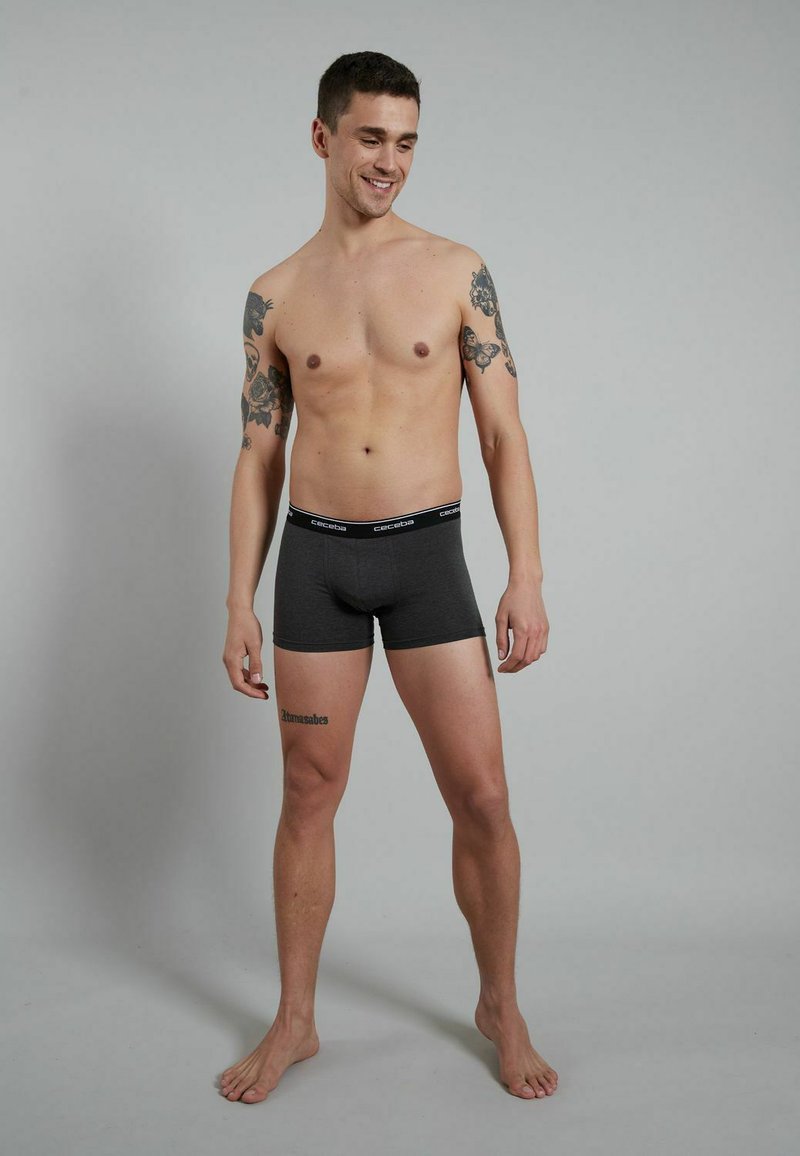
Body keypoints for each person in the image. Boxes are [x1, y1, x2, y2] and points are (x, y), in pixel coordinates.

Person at [220, 50, 557, 1105]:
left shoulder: (456, 271)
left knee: (482, 795)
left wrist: (525, 574)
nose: (390, 161)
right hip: (316, 562)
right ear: (322, 137)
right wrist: (237, 599)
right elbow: (258, 454)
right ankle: (296, 1018)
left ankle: (499, 1004)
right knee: (307, 791)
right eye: (371, 137)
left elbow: (502, 434)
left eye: (406, 142)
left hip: (424, 560)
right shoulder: (273, 295)